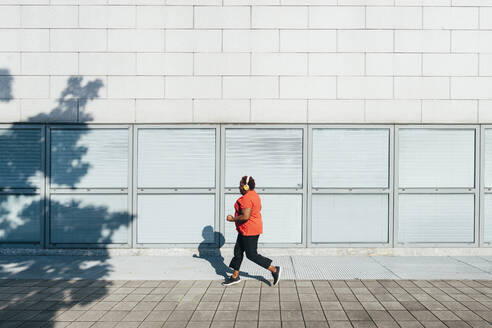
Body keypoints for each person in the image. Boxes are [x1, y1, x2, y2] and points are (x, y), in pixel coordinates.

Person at [223, 176, 280, 286]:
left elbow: (245, 216)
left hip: (250, 230)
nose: (239, 188)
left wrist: (232, 219)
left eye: (240, 186)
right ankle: (235, 276)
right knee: (238, 251)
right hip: (245, 229)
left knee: (251, 254)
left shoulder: (246, 198)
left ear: (245, 187)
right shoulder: (254, 195)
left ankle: (274, 269)